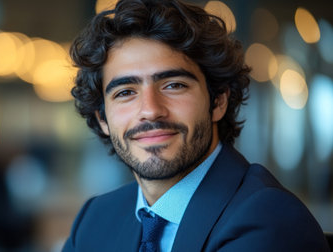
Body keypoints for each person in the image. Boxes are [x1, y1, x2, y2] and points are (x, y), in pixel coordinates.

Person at [62, 0, 330, 251]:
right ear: (102, 119)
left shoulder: (268, 218)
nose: (150, 110)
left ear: (218, 102)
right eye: (125, 92)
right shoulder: (95, 219)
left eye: (174, 85)